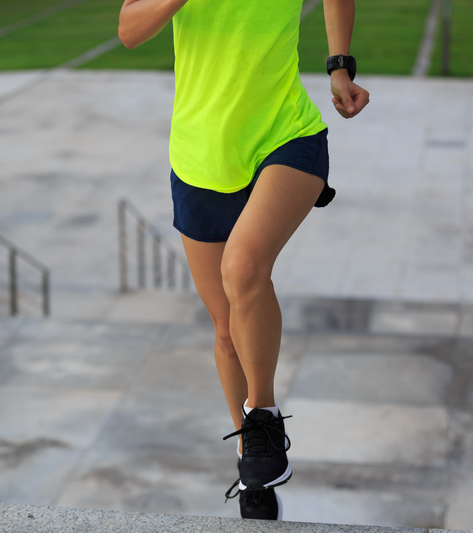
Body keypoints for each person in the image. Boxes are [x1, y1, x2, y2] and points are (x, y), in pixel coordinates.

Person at [119, 0, 369, 521]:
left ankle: (263, 416)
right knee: (227, 329)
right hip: (199, 156)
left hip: (286, 135)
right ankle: (250, 460)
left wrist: (339, 65)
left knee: (244, 266)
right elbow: (128, 29)